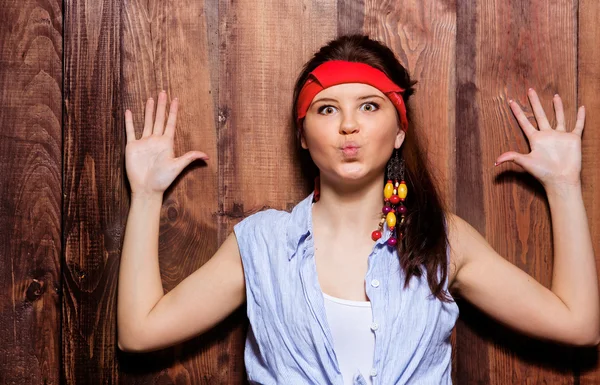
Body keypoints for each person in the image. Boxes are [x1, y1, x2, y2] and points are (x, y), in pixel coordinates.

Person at [117, 34, 599, 384]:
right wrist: (145, 193)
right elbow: (139, 334)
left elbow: (578, 327)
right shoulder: (262, 244)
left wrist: (561, 184)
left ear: (399, 131)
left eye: (369, 106)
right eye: (327, 109)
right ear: (304, 136)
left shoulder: (443, 240)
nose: (348, 125)